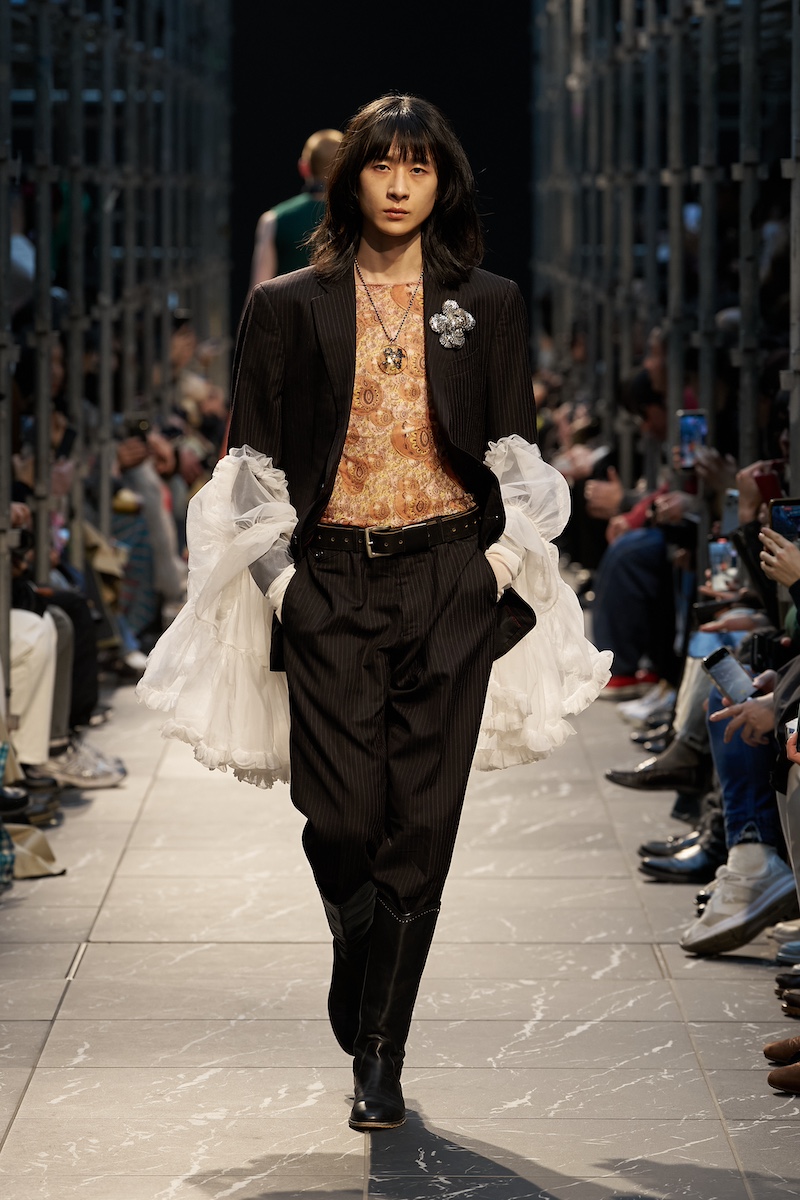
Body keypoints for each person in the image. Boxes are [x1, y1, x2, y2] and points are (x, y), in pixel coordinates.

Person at [139, 93, 610, 1133]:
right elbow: (251, 461)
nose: (399, 185)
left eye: (419, 167)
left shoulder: (488, 302)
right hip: (329, 579)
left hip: (450, 575)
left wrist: (495, 569)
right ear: (349, 177)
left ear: (443, 183)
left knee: (422, 823)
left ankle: (380, 1053)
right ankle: (358, 944)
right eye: (381, 165)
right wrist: (284, 588)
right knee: (343, 815)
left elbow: (514, 454)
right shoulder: (286, 304)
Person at [249, 128, 343, 287]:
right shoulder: (360, 217)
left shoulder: (273, 220)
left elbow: (258, 290)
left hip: (288, 304)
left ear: (304, 167)